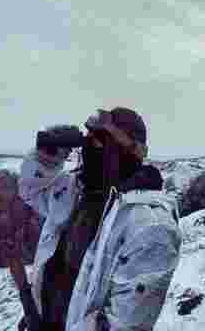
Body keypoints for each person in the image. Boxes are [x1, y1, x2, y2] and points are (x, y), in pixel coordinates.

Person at [18, 107, 181, 331]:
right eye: (87, 141)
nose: (87, 149)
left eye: (97, 141)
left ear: (124, 151)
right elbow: (31, 191)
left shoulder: (150, 227)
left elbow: (123, 326)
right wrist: (47, 155)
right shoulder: (79, 190)